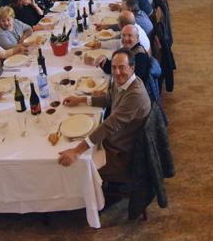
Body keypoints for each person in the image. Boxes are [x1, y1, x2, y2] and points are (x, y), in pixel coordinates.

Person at [58, 48, 152, 180]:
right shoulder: (124, 82)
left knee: (77, 168)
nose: (117, 72)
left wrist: (76, 151)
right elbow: (108, 99)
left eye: (122, 67)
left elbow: (109, 125)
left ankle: (92, 199)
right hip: (113, 140)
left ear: (132, 68)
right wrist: (81, 99)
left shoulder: (135, 94)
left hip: (120, 153)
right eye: (114, 67)